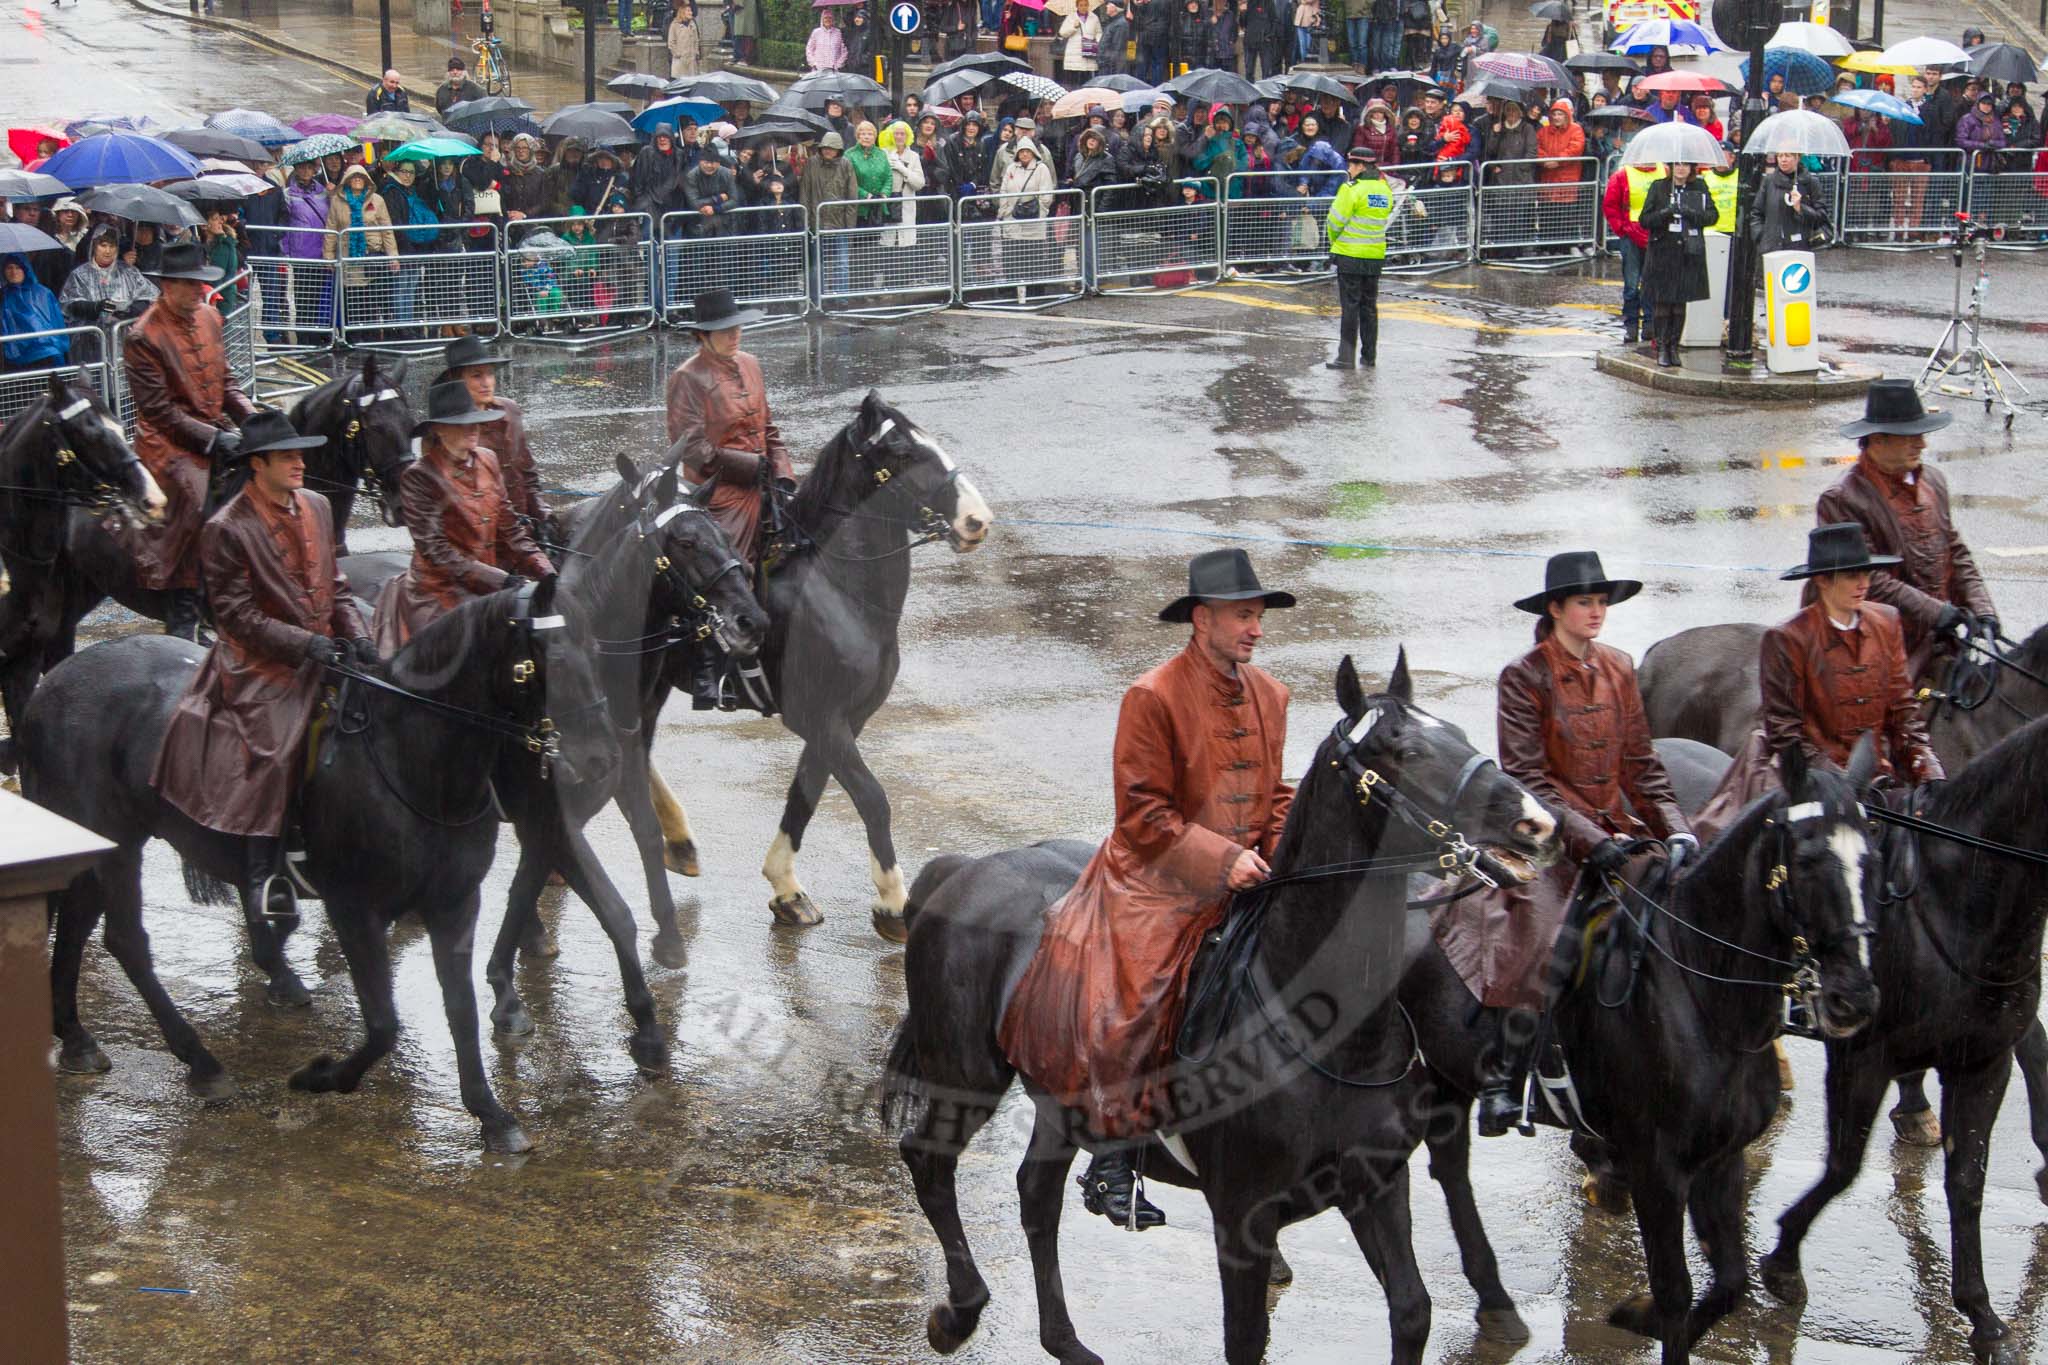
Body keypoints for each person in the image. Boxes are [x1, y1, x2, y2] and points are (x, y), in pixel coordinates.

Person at [998, 548, 1295, 1229]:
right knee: (1138, 989)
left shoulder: (1273, 694)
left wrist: (1277, 855)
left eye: (1258, 616)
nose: (1255, 628)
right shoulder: (1152, 695)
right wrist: (1222, 861)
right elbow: (1143, 815)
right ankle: (1116, 1154)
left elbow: (1276, 794)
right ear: (1202, 619)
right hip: (1153, 878)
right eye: (1243, 615)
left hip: (1248, 870)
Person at [1441, 552, 1691, 1136]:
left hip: (1617, 832)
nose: (1597, 612)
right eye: (1585, 602)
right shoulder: (1524, 675)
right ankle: (1507, 1079)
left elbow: (1642, 765)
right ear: (1556, 610)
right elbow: (1525, 777)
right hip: (1547, 840)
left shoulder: (1620, 666)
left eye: (1602, 602)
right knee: (1539, 937)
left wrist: (1677, 827)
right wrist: (1584, 838)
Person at [151, 409, 370, 922]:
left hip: (324, 648)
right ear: (258, 464)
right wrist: (303, 645)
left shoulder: (316, 505)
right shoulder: (225, 527)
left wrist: (358, 638)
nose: (300, 463)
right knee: (274, 748)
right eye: (288, 456)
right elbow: (237, 617)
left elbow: (336, 587)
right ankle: (263, 876)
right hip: (259, 666)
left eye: (300, 454)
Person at [1808, 380, 1994, 685]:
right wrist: (1936, 612)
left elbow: (1954, 550)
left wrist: (1982, 609)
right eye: (1911, 436)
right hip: (1869, 642)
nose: (1922, 444)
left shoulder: (1933, 481)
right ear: (1878, 440)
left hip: (1936, 636)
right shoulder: (1842, 498)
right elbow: (1865, 580)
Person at [122, 241, 258, 640]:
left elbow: (228, 381)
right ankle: (184, 604)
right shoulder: (142, 335)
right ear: (166, 285)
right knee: (196, 498)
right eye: (189, 283)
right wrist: (215, 439)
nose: (199, 290)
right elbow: (160, 411)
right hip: (168, 442)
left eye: (201, 282)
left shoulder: (211, 316)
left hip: (213, 428)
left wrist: (252, 421)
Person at [663, 288, 792, 703]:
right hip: (719, 494)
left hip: (764, 482)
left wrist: (784, 473)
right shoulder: (688, 378)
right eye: (724, 330)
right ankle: (710, 671)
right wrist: (751, 467)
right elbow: (695, 451)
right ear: (703, 335)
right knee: (728, 571)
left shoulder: (751, 365)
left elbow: (769, 429)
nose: (735, 334)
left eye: (737, 326)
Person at [373, 381, 554, 654]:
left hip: (489, 587)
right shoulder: (419, 475)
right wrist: (502, 580)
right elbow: (437, 552)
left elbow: (511, 530)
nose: (473, 429)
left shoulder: (488, 459)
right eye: (462, 423)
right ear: (439, 430)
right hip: (440, 593)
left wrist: (549, 575)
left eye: (476, 422)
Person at [1639, 160, 1713, 367]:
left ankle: (1674, 346)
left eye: (1685, 165)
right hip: (1663, 252)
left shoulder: (1699, 187)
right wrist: (1666, 212)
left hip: (1687, 252)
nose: (1681, 169)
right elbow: (1645, 219)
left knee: (1680, 304)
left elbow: (1711, 216)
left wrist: (1688, 211)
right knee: (1663, 303)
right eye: (1677, 165)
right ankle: (1662, 347)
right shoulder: (1659, 186)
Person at [1324, 146, 1390, 369]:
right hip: (1374, 255)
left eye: (1351, 164)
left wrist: (1335, 242)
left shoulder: (1351, 189)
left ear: (1361, 166)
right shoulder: (1383, 189)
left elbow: (1334, 221)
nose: (1349, 168)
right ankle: (1369, 356)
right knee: (1369, 307)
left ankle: (1345, 357)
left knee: (1350, 308)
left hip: (1350, 255)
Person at [59, 224, 157, 358]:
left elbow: (150, 298)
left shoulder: (129, 272)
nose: (108, 251)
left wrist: (127, 312)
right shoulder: (79, 275)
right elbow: (68, 305)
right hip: (91, 344)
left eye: (112, 246)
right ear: (94, 246)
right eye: (103, 245)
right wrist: (95, 307)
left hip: (125, 342)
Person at [800, 132, 859, 296]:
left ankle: (841, 299)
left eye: (832, 148)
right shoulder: (811, 164)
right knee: (816, 264)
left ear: (838, 150)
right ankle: (816, 298)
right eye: (825, 147)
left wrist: (850, 227)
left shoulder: (846, 164)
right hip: (816, 222)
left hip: (840, 223)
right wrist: (806, 221)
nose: (828, 151)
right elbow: (805, 193)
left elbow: (852, 197)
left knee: (842, 263)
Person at [1749, 148, 1829, 254]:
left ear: (1798, 157)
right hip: (1770, 248)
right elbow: (1757, 212)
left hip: (1799, 248)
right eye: (1780, 156)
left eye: (1787, 155)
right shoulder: (1768, 181)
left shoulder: (1811, 183)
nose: (1783, 160)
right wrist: (1760, 236)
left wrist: (1801, 208)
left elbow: (1821, 216)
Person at [0, 254, 68, 373]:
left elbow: (57, 323)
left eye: (18, 267)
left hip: (45, 353)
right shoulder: (3, 296)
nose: (13, 272)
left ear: (25, 269)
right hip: (15, 357)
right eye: (9, 268)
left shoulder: (43, 293)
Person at [1059, 0, 1103, 84]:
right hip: (1074, 52)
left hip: (1089, 49)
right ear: (1077, 6)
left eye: (1086, 5)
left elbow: (1099, 32)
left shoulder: (1094, 17)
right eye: (1081, 5)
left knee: (1087, 76)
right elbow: (1062, 33)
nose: (1083, 7)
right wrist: (1073, 27)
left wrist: (1096, 41)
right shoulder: (1071, 17)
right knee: (1074, 77)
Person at [1097, 0, 1132, 74]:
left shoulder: (1120, 25)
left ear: (1115, 8)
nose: (1106, 6)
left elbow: (1117, 49)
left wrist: (1109, 67)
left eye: (1109, 4)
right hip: (1106, 66)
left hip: (1110, 69)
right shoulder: (1113, 22)